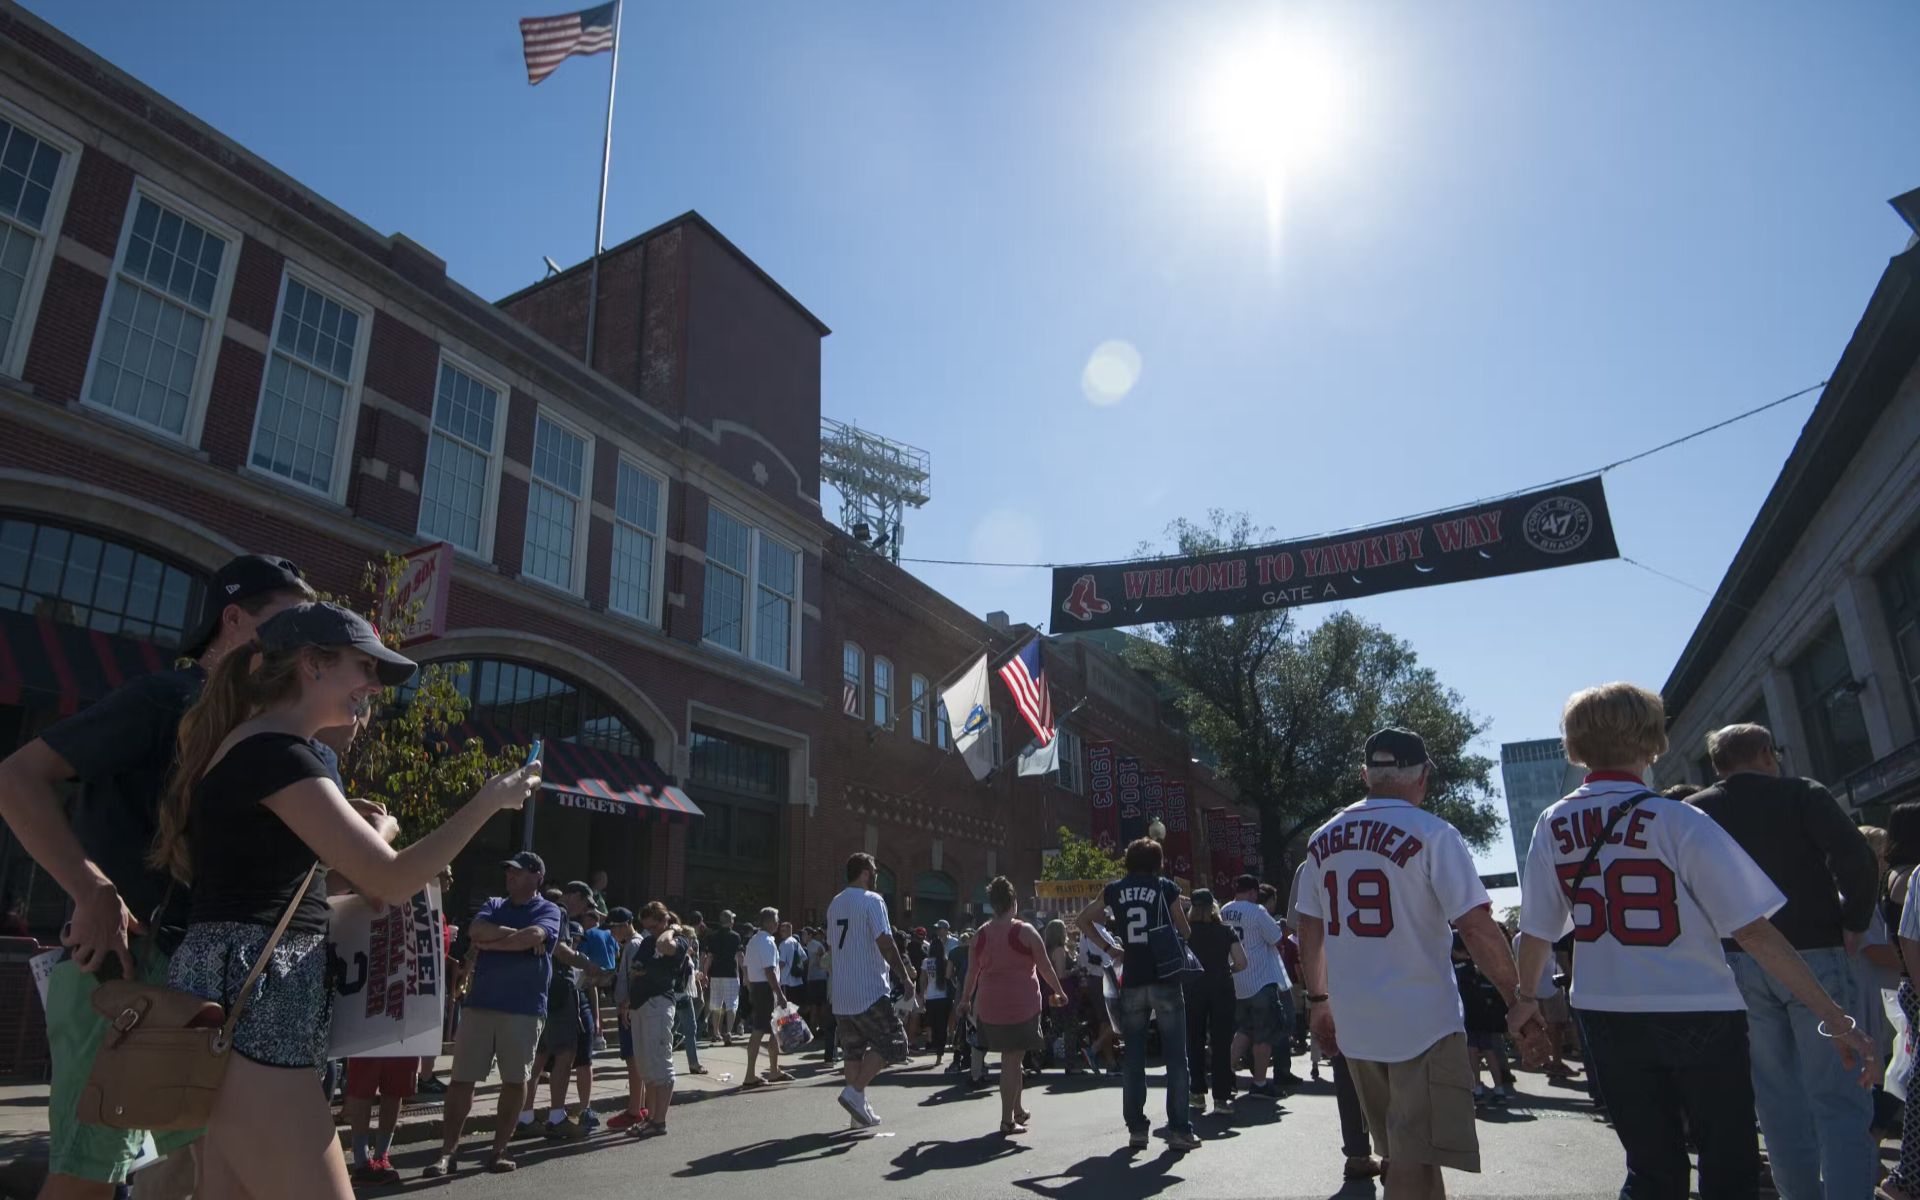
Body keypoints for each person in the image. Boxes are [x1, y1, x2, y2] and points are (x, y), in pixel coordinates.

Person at [142, 602, 539, 1198]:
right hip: (259, 1002)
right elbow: (392, 879)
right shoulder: (279, 754)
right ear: (312, 664)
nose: (372, 688)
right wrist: (490, 800)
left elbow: (310, 883)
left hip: (232, 991)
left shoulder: (254, 748)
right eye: (364, 667)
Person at [0, 554, 312, 1200]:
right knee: (87, 1177)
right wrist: (90, 888)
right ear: (234, 620)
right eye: (287, 624)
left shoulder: (262, 735)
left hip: (203, 984)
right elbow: (15, 779)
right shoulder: (163, 699)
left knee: (210, 1172)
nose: (301, 644)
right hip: (124, 975)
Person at [1512, 684, 1878, 1200]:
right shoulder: (1677, 818)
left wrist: (1526, 1000)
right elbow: (1752, 930)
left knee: (1651, 1168)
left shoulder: (1553, 823)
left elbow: (1538, 931)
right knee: (1727, 1166)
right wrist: (1834, 1017)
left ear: (1576, 746)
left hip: (1605, 1009)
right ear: (1652, 741)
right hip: (1698, 1006)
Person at [1298, 727, 1535, 1200]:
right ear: (1421, 775)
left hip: (1358, 1021)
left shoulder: (1322, 839)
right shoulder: (1433, 833)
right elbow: (1475, 927)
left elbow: (1310, 928)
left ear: (1366, 775)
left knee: (1415, 1155)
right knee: (1412, 1156)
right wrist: (1518, 998)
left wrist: (1319, 1000)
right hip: (1422, 1021)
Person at [1687, 722, 1879, 1200]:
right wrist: (1854, 920)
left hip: (1735, 960)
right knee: (1838, 1097)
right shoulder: (1803, 794)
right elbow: (1856, 857)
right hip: (1814, 951)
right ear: (1768, 755)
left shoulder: (1692, 812)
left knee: (1776, 1101)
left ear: (1718, 766)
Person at [431, 851, 573, 1178]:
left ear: (537, 876)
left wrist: (494, 943)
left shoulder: (549, 909)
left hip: (523, 1009)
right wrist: (513, 937)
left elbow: (536, 936)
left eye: (518, 872)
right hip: (480, 1004)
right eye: (508, 872)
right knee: (461, 1080)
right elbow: (476, 931)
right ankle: (446, 1153)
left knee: (514, 1080)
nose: (510, 877)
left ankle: (498, 1151)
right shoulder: (494, 904)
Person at [1076, 837, 1201, 1152]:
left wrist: (1109, 948)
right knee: (1176, 1057)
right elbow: (1185, 930)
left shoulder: (1114, 889)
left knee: (1133, 1059)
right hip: (1165, 979)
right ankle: (1179, 1129)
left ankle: (1137, 1129)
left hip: (1131, 979)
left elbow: (1082, 919)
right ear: (1158, 862)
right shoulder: (1165, 888)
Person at [956, 877, 1068, 1135]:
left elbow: (971, 973)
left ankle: (1017, 1109)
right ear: (1014, 903)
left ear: (992, 905)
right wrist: (1059, 992)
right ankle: (1007, 1120)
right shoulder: (1025, 931)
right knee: (1011, 1059)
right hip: (1022, 1006)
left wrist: (964, 1000)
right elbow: (1046, 967)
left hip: (990, 1007)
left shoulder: (980, 934)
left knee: (1014, 1059)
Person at [828, 853, 917, 1127]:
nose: (876, 874)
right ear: (865, 872)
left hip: (842, 993)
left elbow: (833, 949)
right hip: (869, 989)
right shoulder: (872, 900)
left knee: (853, 1052)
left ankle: (858, 1113)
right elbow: (885, 941)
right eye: (874, 870)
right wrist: (905, 977)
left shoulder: (835, 903)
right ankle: (855, 1094)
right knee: (896, 1044)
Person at [1221, 873, 1291, 1099]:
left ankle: (1225, 1075)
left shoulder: (1223, 910)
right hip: (1260, 979)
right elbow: (1276, 937)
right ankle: (1260, 1083)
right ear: (1252, 892)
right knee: (1263, 1035)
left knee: (1243, 1031)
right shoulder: (1257, 911)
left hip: (1236, 981)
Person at [624, 901, 686, 1138]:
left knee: (661, 1063)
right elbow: (636, 969)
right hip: (640, 1005)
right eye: (646, 927)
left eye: (653, 926)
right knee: (646, 1066)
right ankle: (650, 1117)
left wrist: (672, 929)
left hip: (658, 1004)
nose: (649, 931)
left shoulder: (677, 940)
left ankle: (659, 1121)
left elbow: (665, 945)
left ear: (663, 921)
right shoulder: (649, 941)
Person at [1183, 888, 1247, 1114]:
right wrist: (1224, 969)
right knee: (1221, 1043)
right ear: (1213, 907)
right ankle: (1221, 1098)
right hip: (1221, 988)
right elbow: (1241, 962)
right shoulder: (1225, 930)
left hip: (1193, 988)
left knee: (1194, 1041)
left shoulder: (1186, 932)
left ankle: (1197, 1093)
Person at [1885, 804, 1920, 1200]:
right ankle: (1905, 1178)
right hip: (1913, 983)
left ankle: (1905, 1177)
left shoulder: (1899, 875)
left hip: (1908, 983)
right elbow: (1908, 938)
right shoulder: (1910, 877)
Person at [608, 907, 652, 1131]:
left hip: (630, 1008)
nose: (613, 933)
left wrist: (626, 1004)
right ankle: (640, 1105)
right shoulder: (633, 944)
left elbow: (636, 976)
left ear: (624, 924)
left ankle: (634, 1109)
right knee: (635, 1059)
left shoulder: (634, 944)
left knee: (633, 1060)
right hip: (632, 1006)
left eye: (614, 928)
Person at [741, 907, 793, 1088]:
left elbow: (746, 968)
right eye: (777, 920)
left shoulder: (754, 941)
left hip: (757, 987)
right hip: (765, 988)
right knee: (759, 1030)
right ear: (769, 922)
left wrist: (749, 987)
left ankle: (773, 1070)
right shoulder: (767, 942)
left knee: (771, 1030)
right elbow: (770, 970)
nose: (778, 924)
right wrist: (779, 994)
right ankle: (750, 1075)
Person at [702, 909, 744, 1046]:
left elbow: (709, 957)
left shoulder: (712, 936)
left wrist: (705, 973)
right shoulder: (736, 936)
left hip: (715, 974)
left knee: (716, 1003)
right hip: (731, 974)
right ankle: (729, 1032)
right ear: (731, 921)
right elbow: (740, 956)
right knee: (731, 1004)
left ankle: (716, 1032)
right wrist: (746, 973)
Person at [921, 931, 954, 1065]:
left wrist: (922, 994)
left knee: (932, 1022)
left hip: (930, 996)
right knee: (942, 1025)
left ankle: (931, 1041)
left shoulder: (926, 962)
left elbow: (923, 979)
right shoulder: (945, 961)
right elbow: (949, 978)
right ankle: (940, 1053)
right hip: (944, 997)